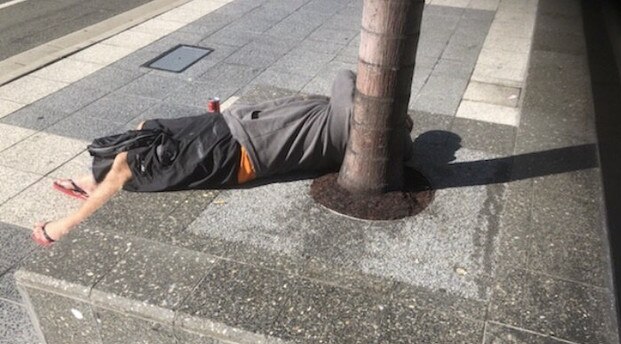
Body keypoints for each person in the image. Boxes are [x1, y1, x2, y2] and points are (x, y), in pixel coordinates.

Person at [32, 70, 413, 246]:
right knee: (148, 126)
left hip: (234, 151)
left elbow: (345, 76)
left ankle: (66, 223)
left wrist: (372, 105)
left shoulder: (349, 119)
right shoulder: (356, 126)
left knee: (127, 165)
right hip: (229, 126)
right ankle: (93, 180)